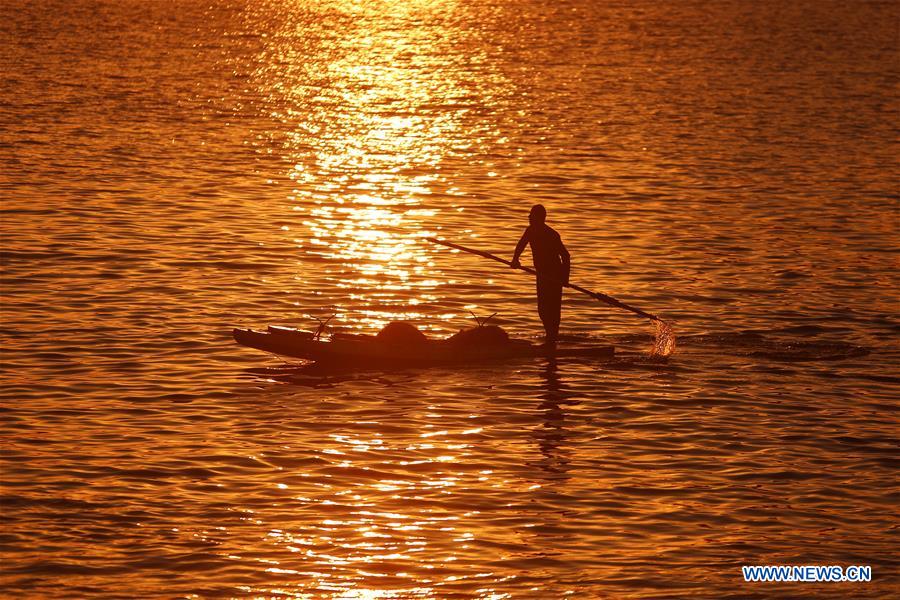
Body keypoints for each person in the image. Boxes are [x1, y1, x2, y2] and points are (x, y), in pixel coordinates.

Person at [511, 205, 570, 344]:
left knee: (553, 309)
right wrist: (515, 259)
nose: (529, 217)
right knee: (542, 309)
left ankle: (552, 338)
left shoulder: (552, 234)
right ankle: (550, 337)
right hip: (541, 275)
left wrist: (564, 278)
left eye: (532, 215)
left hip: (554, 276)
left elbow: (565, 256)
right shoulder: (530, 231)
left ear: (539, 218)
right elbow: (521, 245)